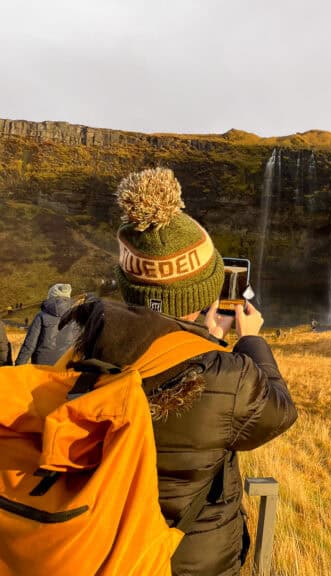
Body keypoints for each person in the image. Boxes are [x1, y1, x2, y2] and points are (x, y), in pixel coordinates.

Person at [60, 167, 297, 575]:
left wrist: (199, 338)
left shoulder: (80, 350)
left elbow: (159, 342)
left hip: (100, 555)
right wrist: (249, 340)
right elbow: (280, 410)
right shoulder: (227, 376)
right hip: (191, 562)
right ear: (206, 290)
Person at [15, 283, 76, 366]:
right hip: (64, 366)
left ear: (50, 296)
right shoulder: (76, 316)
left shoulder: (41, 316)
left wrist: (18, 366)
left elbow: (29, 345)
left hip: (40, 366)